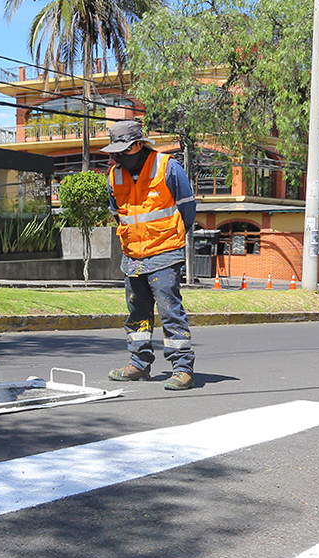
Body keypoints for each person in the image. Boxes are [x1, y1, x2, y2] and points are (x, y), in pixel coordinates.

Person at [101, 120, 197, 391]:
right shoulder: (114, 175)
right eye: (116, 152)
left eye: (124, 151)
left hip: (165, 252)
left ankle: (182, 368)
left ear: (140, 145)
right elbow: (117, 214)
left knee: (169, 311)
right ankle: (139, 363)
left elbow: (187, 210)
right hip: (133, 255)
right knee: (137, 311)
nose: (119, 157)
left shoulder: (167, 167)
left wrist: (171, 238)